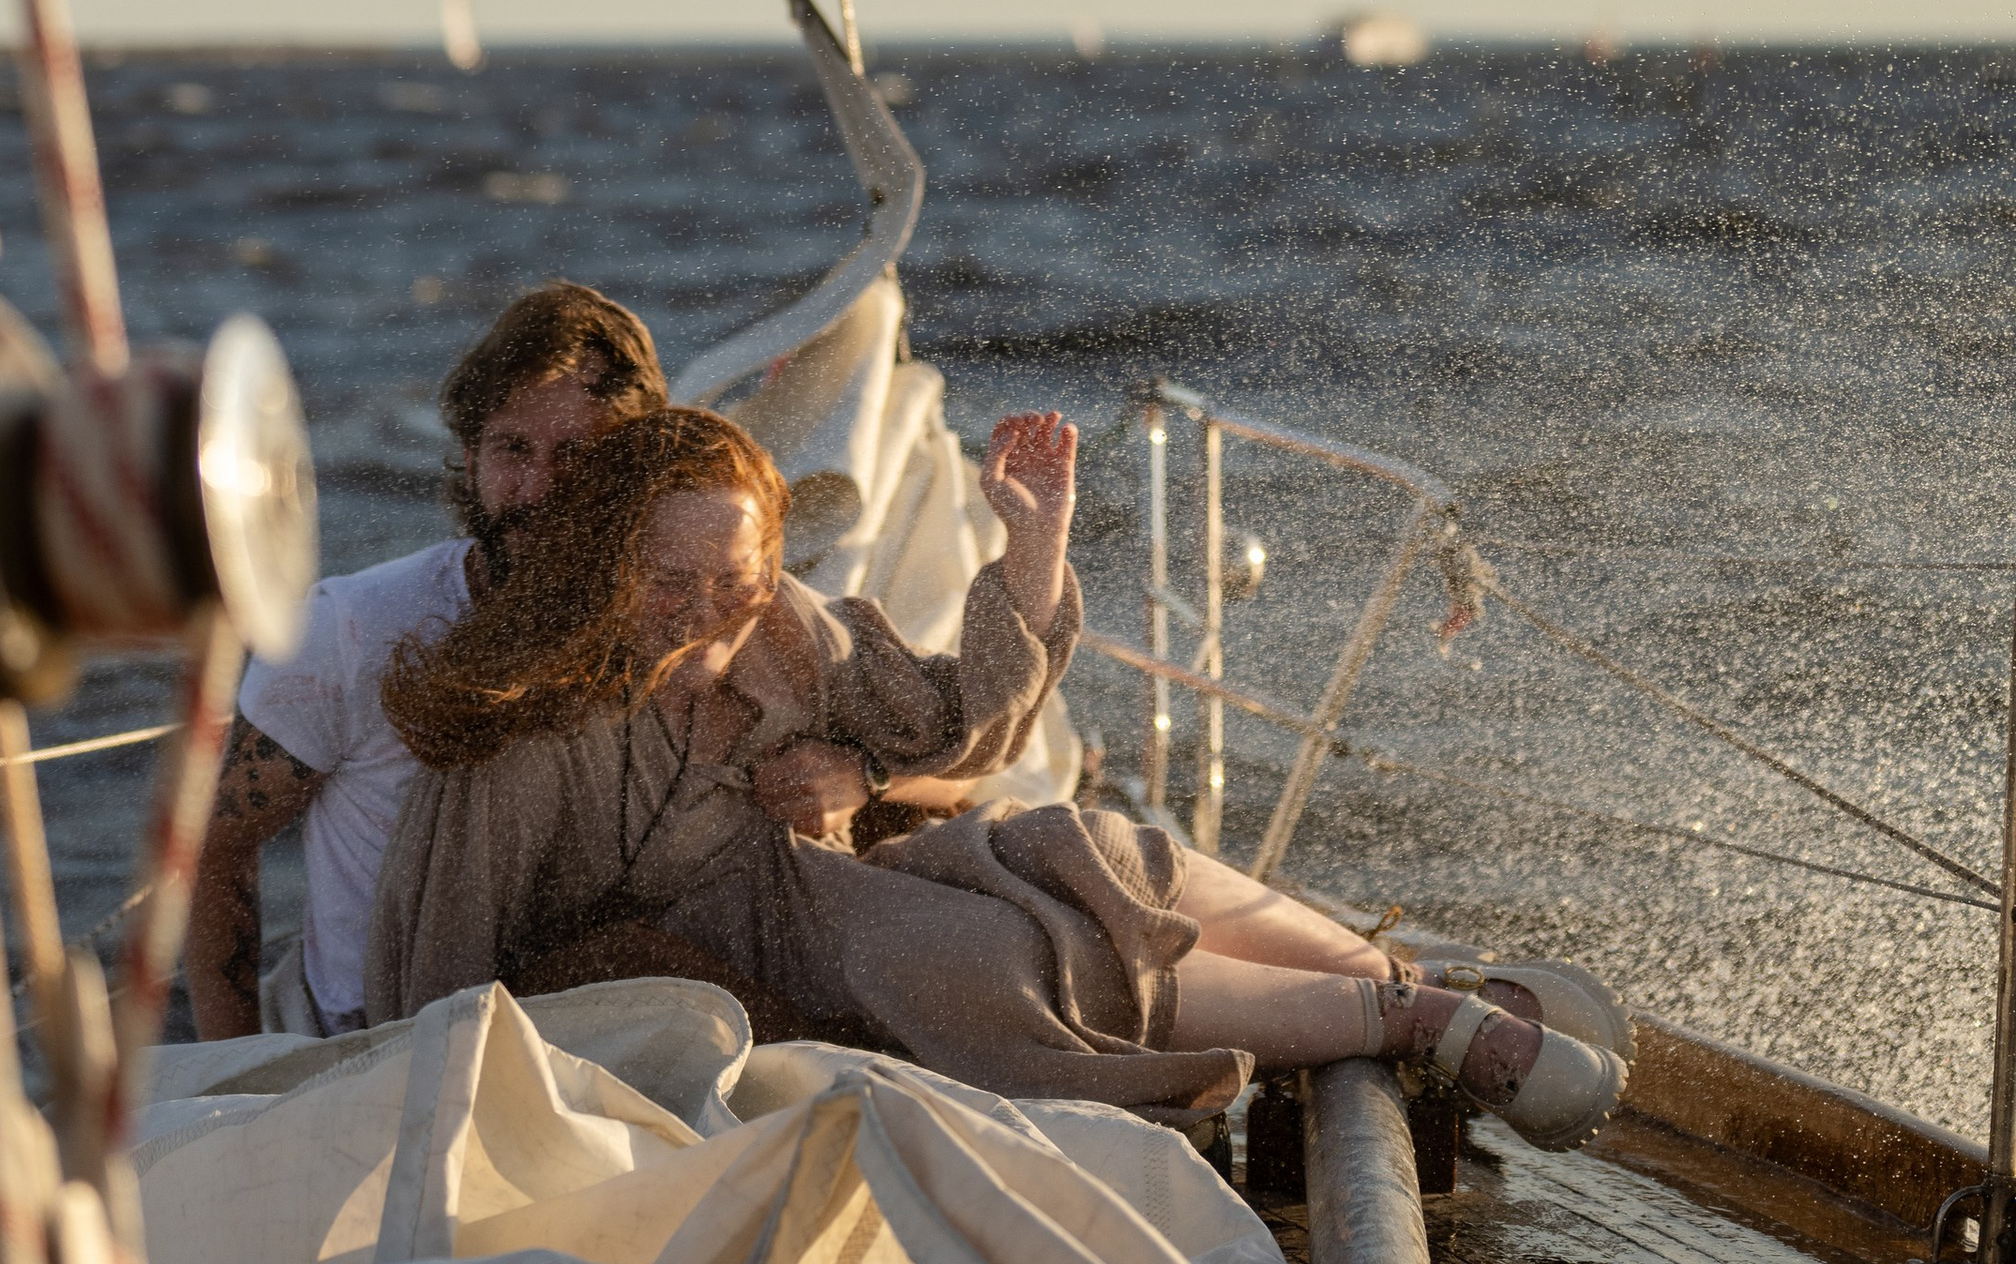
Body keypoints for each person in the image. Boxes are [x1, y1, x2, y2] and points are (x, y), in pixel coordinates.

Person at [366, 403, 1625, 1143]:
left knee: (1086, 849)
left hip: (851, 888)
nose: (710, 607)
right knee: (986, 961)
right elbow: (441, 967)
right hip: (727, 973)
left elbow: (957, 731)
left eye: (738, 575)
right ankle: (1405, 1016)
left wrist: (1032, 555)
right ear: (603, 561)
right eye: (671, 580)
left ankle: (1422, 984)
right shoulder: (522, 732)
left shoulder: (784, 631)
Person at [184, 282, 669, 1039]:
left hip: (588, 1023)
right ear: (471, 455)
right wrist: (240, 1072)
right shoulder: (350, 628)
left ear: (631, 467)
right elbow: (213, 845)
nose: (537, 488)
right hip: (378, 1046)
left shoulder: (682, 619)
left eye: (576, 453)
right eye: (513, 449)